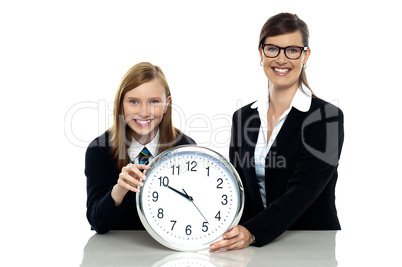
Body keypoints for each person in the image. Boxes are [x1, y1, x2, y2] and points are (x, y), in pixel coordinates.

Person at [210, 13, 344, 251]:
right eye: (272, 49)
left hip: (310, 244)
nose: (281, 59)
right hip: (253, 247)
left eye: (292, 50)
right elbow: (238, 187)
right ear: (261, 53)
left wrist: (253, 232)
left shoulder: (327, 118)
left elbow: (304, 189)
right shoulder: (242, 118)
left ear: (306, 56)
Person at [85, 62, 196, 234]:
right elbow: (97, 222)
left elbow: (189, 214)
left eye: (153, 102)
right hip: (114, 254)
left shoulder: (186, 148)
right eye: (134, 102)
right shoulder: (99, 150)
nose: (144, 112)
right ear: (121, 103)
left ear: (167, 104)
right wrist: (119, 190)